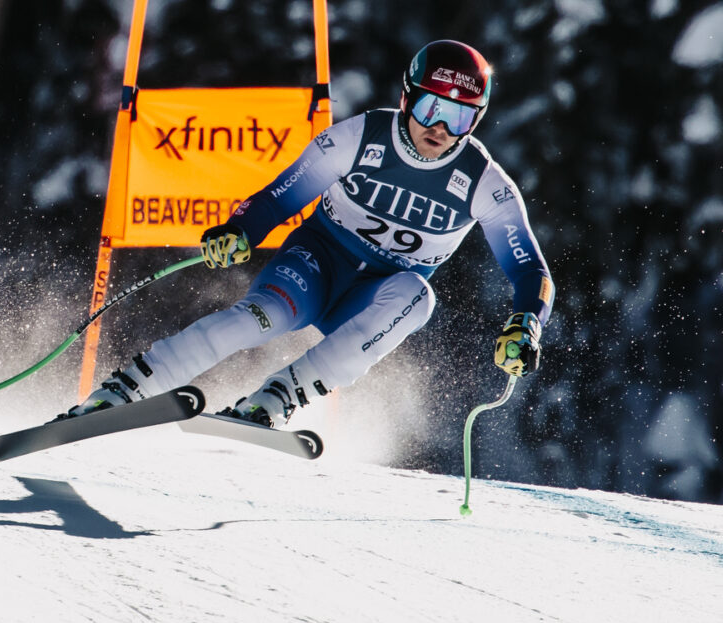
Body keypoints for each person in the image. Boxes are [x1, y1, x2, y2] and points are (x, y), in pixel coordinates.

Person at [64, 39, 555, 427]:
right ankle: (125, 389)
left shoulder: (485, 184)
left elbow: (531, 270)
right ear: (407, 98)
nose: (442, 129)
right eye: (431, 109)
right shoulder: (359, 137)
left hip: (373, 297)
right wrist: (240, 230)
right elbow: (282, 196)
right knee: (256, 319)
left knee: (418, 298)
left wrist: (526, 324)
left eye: (460, 117)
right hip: (315, 264)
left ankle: (277, 398)